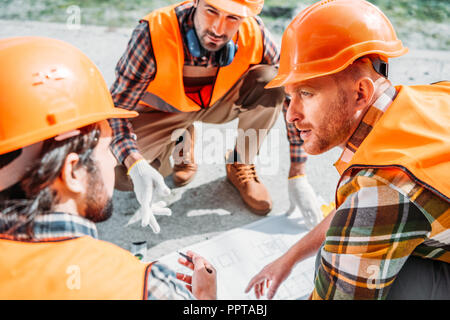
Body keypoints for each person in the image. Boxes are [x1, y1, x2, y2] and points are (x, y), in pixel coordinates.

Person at [246, 0, 450, 300]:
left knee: (334, 262)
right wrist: (289, 258)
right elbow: (363, 210)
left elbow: (374, 207)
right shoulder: (433, 97)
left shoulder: (385, 188)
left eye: (306, 93)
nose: (291, 115)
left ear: (361, 92)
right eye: (290, 96)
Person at [0, 36, 216, 300]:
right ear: (73, 172)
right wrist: (204, 301)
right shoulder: (145, 287)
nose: (114, 160)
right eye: (107, 149)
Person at [109, 0, 323, 232]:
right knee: (122, 175)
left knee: (271, 81)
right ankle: (181, 140)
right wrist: (136, 163)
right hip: (164, 111)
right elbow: (116, 111)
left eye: (233, 18)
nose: (218, 29)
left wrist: (298, 175)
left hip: (217, 103)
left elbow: (293, 94)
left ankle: (239, 162)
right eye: (211, 11)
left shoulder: (256, 34)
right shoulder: (152, 34)